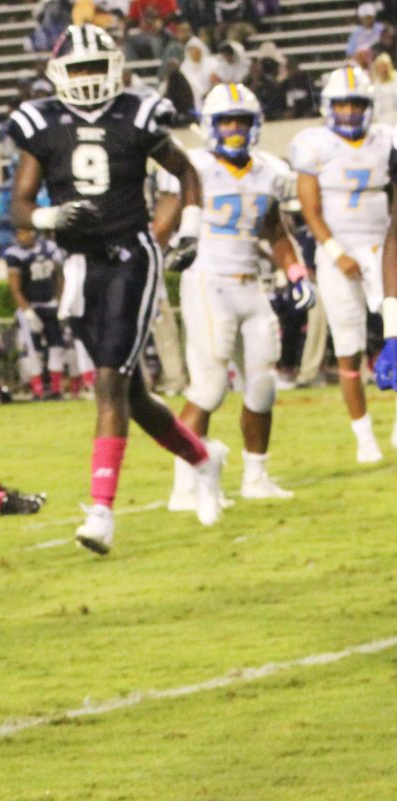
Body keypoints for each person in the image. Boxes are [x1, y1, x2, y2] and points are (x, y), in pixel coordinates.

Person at [8, 23, 225, 554]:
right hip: (79, 268)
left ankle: (101, 511)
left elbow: (188, 171)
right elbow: (19, 206)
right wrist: (52, 214)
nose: (86, 78)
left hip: (132, 256)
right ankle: (202, 457)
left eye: (93, 67)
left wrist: (188, 230)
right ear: (58, 73)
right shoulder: (43, 124)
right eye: (76, 68)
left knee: (108, 383)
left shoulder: (137, 112)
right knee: (132, 394)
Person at [163, 84, 312, 511]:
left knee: (263, 386)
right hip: (208, 282)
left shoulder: (268, 170)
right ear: (211, 125)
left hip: (252, 285)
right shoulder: (195, 168)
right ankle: (184, 486)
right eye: (226, 120)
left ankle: (256, 477)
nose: (233, 129)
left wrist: (296, 272)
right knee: (209, 387)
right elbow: (164, 224)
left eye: (241, 120)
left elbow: (276, 231)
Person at [291, 65, 395, 463]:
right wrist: (337, 253)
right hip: (337, 252)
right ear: (328, 106)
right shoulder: (313, 144)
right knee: (348, 347)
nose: (350, 111)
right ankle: (364, 436)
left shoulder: (387, 140)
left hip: (383, 248)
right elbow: (309, 208)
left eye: (357, 103)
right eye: (343, 104)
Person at [4, 226, 66, 400]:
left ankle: (56, 389)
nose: (23, 236)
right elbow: (14, 287)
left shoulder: (50, 248)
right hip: (31, 306)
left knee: (57, 347)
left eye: (26, 232)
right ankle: (37, 391)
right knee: (33, 350)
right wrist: (28, 311)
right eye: (20, 233)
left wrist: (61, 303)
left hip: (50, 304)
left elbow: (60, 276)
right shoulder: (14, 254)